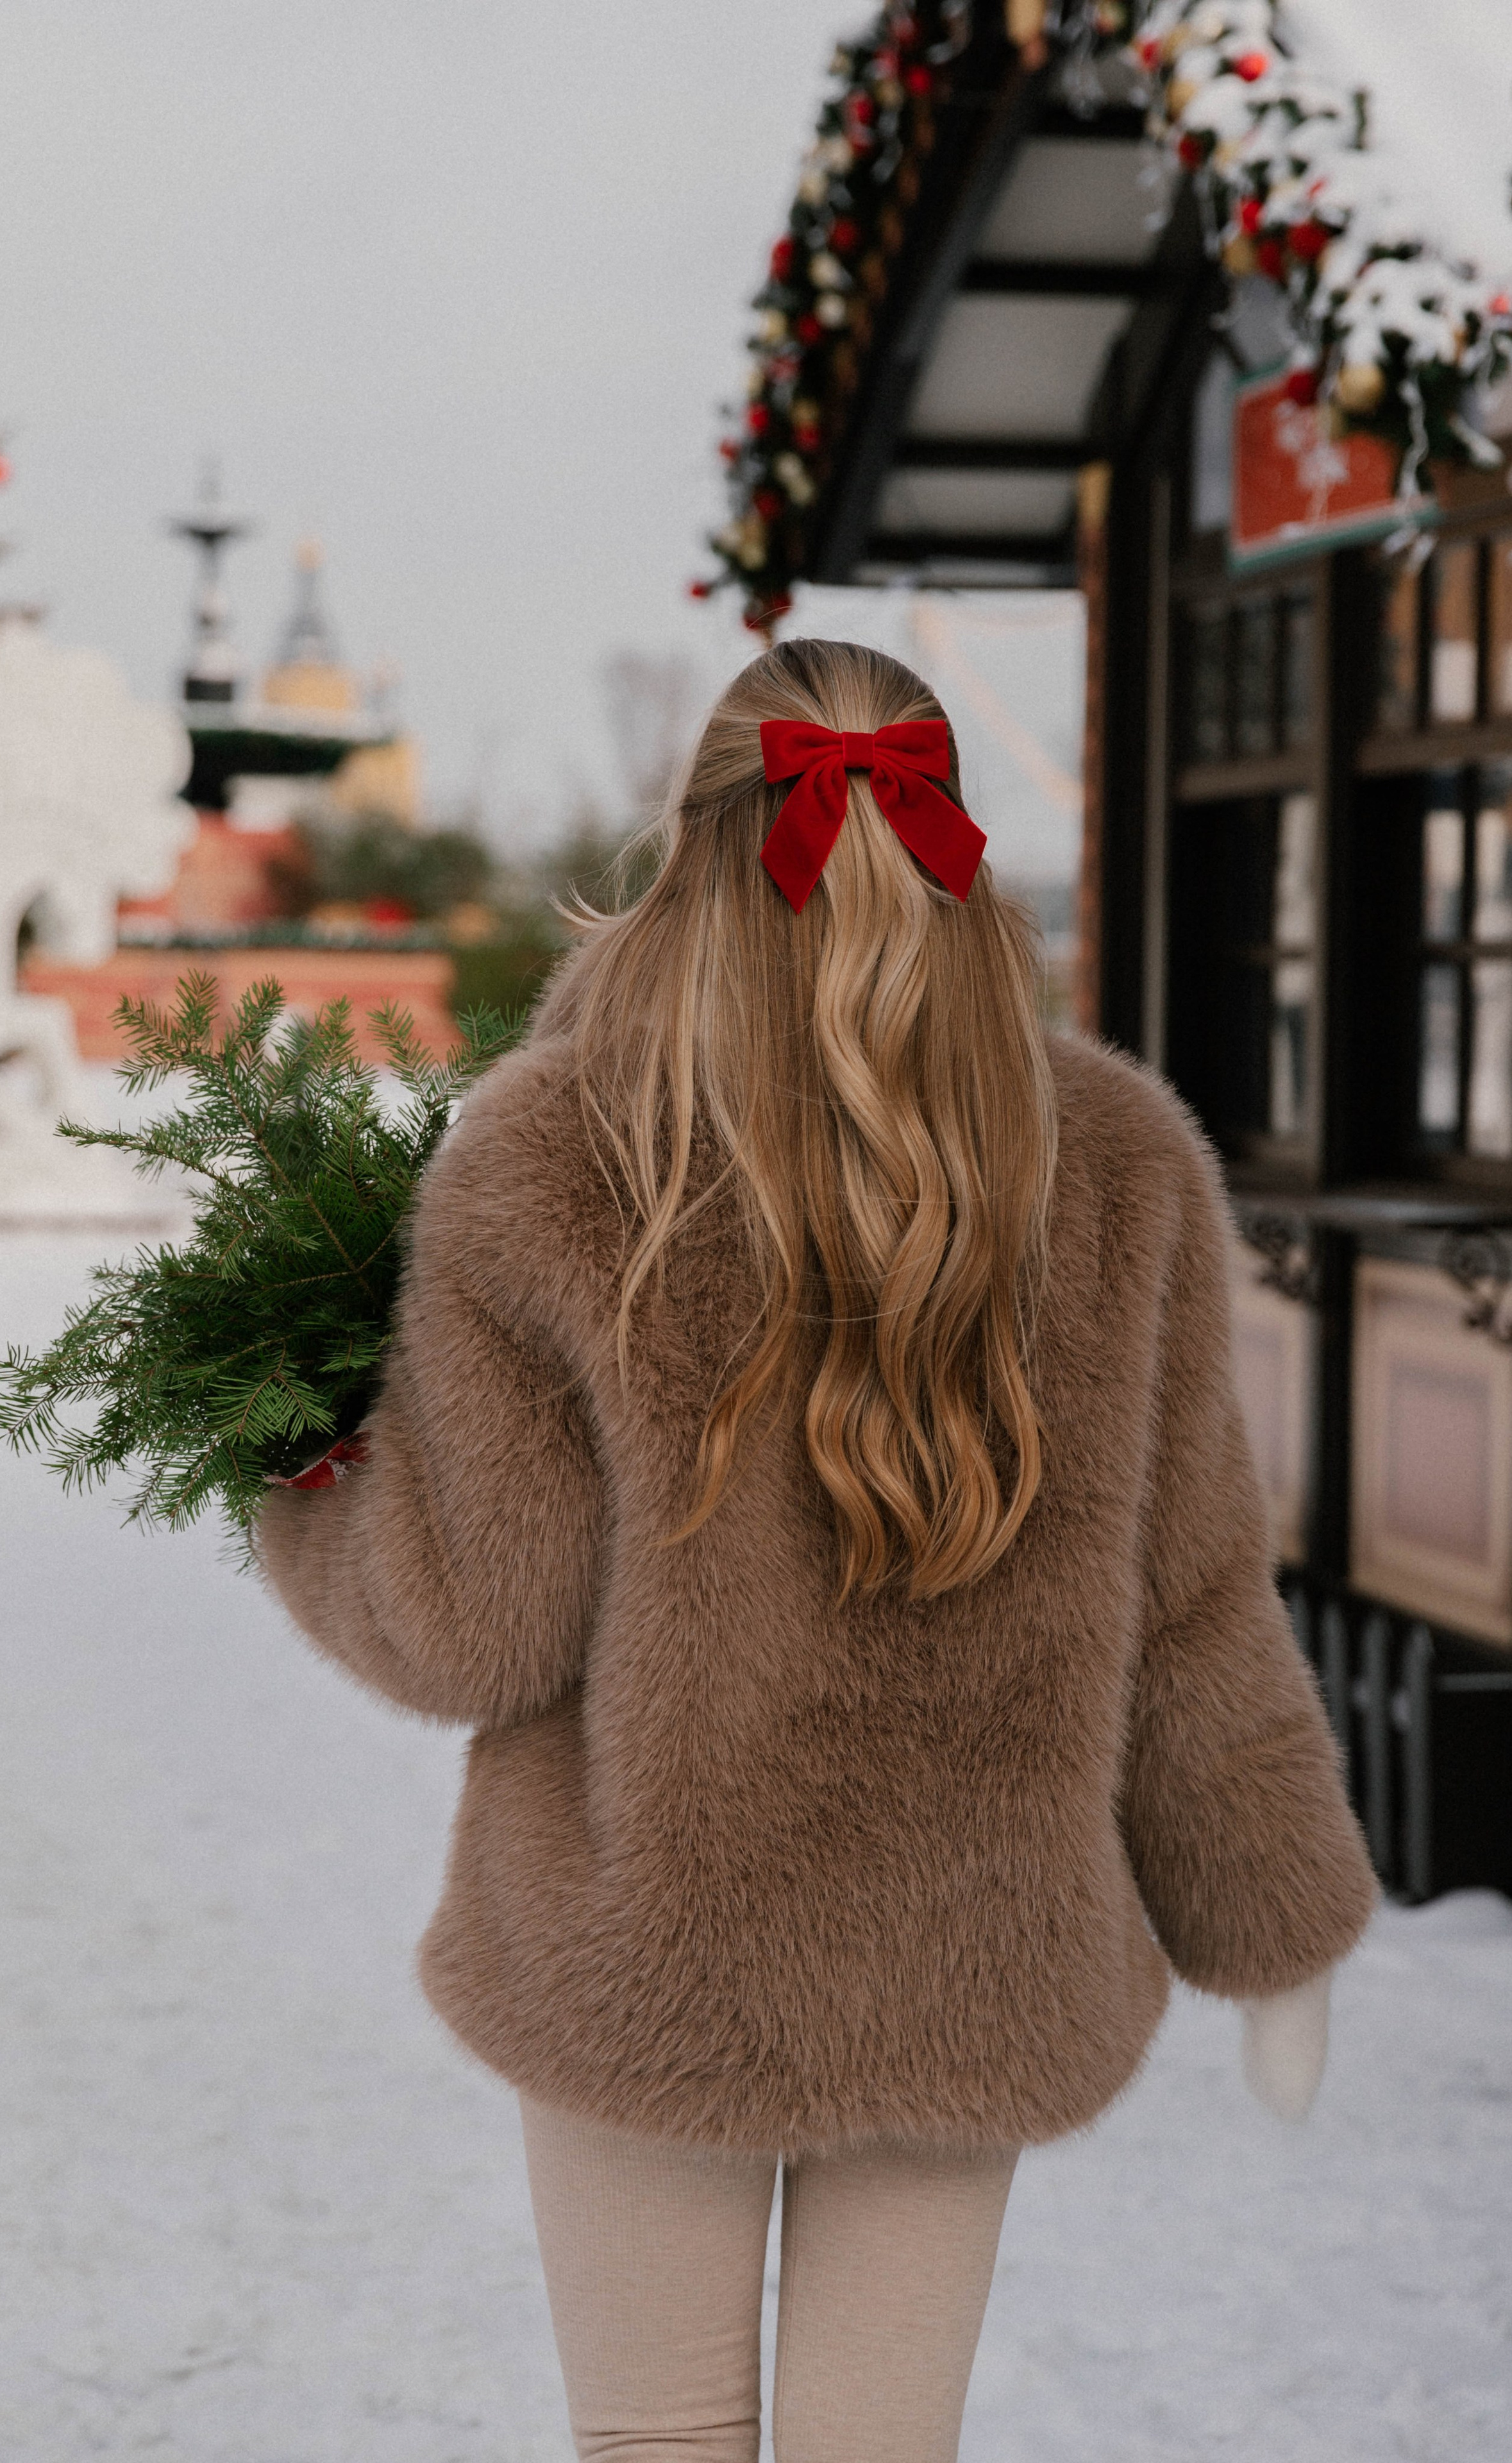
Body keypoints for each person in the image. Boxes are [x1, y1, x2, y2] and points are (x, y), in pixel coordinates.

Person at [260, 639, 1377, 2463]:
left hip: (648, 1948)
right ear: (956, 859)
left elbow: (468, 1623)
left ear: (692, 846)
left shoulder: (553, 1160)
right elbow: (1191, 1607)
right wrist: (1275, 1926)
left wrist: (297, 1475)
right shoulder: (1110, 1163)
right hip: (970, 1946)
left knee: (663, 2439)